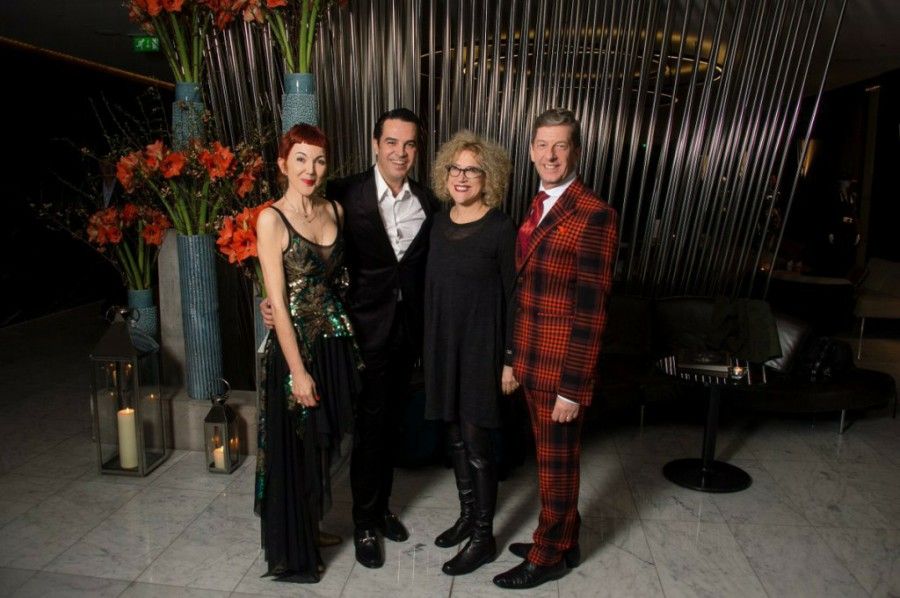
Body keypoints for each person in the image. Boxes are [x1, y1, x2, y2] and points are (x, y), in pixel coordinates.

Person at [262, 108, 439, 569]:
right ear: (376, 144)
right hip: (353, 335)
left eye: (409, 144)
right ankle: (363, 523)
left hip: (405, 335)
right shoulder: (343, 193)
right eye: (391, 142)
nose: (400, 152)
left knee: (390, 427)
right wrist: (276, 302)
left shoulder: (429, 201)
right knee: (363, 430)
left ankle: (379, 510)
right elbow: (301, 253)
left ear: (418, 150)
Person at [493, 109, 618, 590]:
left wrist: (573, 387)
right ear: (531, 151)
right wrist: (514, 358)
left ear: (576, 152)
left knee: (557, 465)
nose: (550, 155)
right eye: (543, 145)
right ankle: (566, 540)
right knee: (550, 462)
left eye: (560, 145)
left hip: (561, 369)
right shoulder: (540, 202)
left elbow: (592, 311)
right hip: (532, 359)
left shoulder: (594, 214)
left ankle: (547, 556)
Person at [254, 124, 360, 583]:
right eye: (300, 158)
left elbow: (339, 282)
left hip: (335, 344)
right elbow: (278, 301)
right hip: (295, 351)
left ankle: (311, 526)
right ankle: (295, 549)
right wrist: (297, 372)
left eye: (318, 159)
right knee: (295, 449)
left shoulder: (334, 209)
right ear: (283, 164)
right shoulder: (271, 220)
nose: (310, 168)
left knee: (323, 446)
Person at [423, 131, 517, 576]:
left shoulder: (501, 228)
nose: (461, 177)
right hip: (443, 346)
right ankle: (466, 516)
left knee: (477, 442)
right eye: (455, 168)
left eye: (472, 170)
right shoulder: (437, 224)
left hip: (482, 350)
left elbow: (515, 298)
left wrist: (510, 359)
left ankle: (483, 535)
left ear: (488, 177)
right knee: (454, 437)